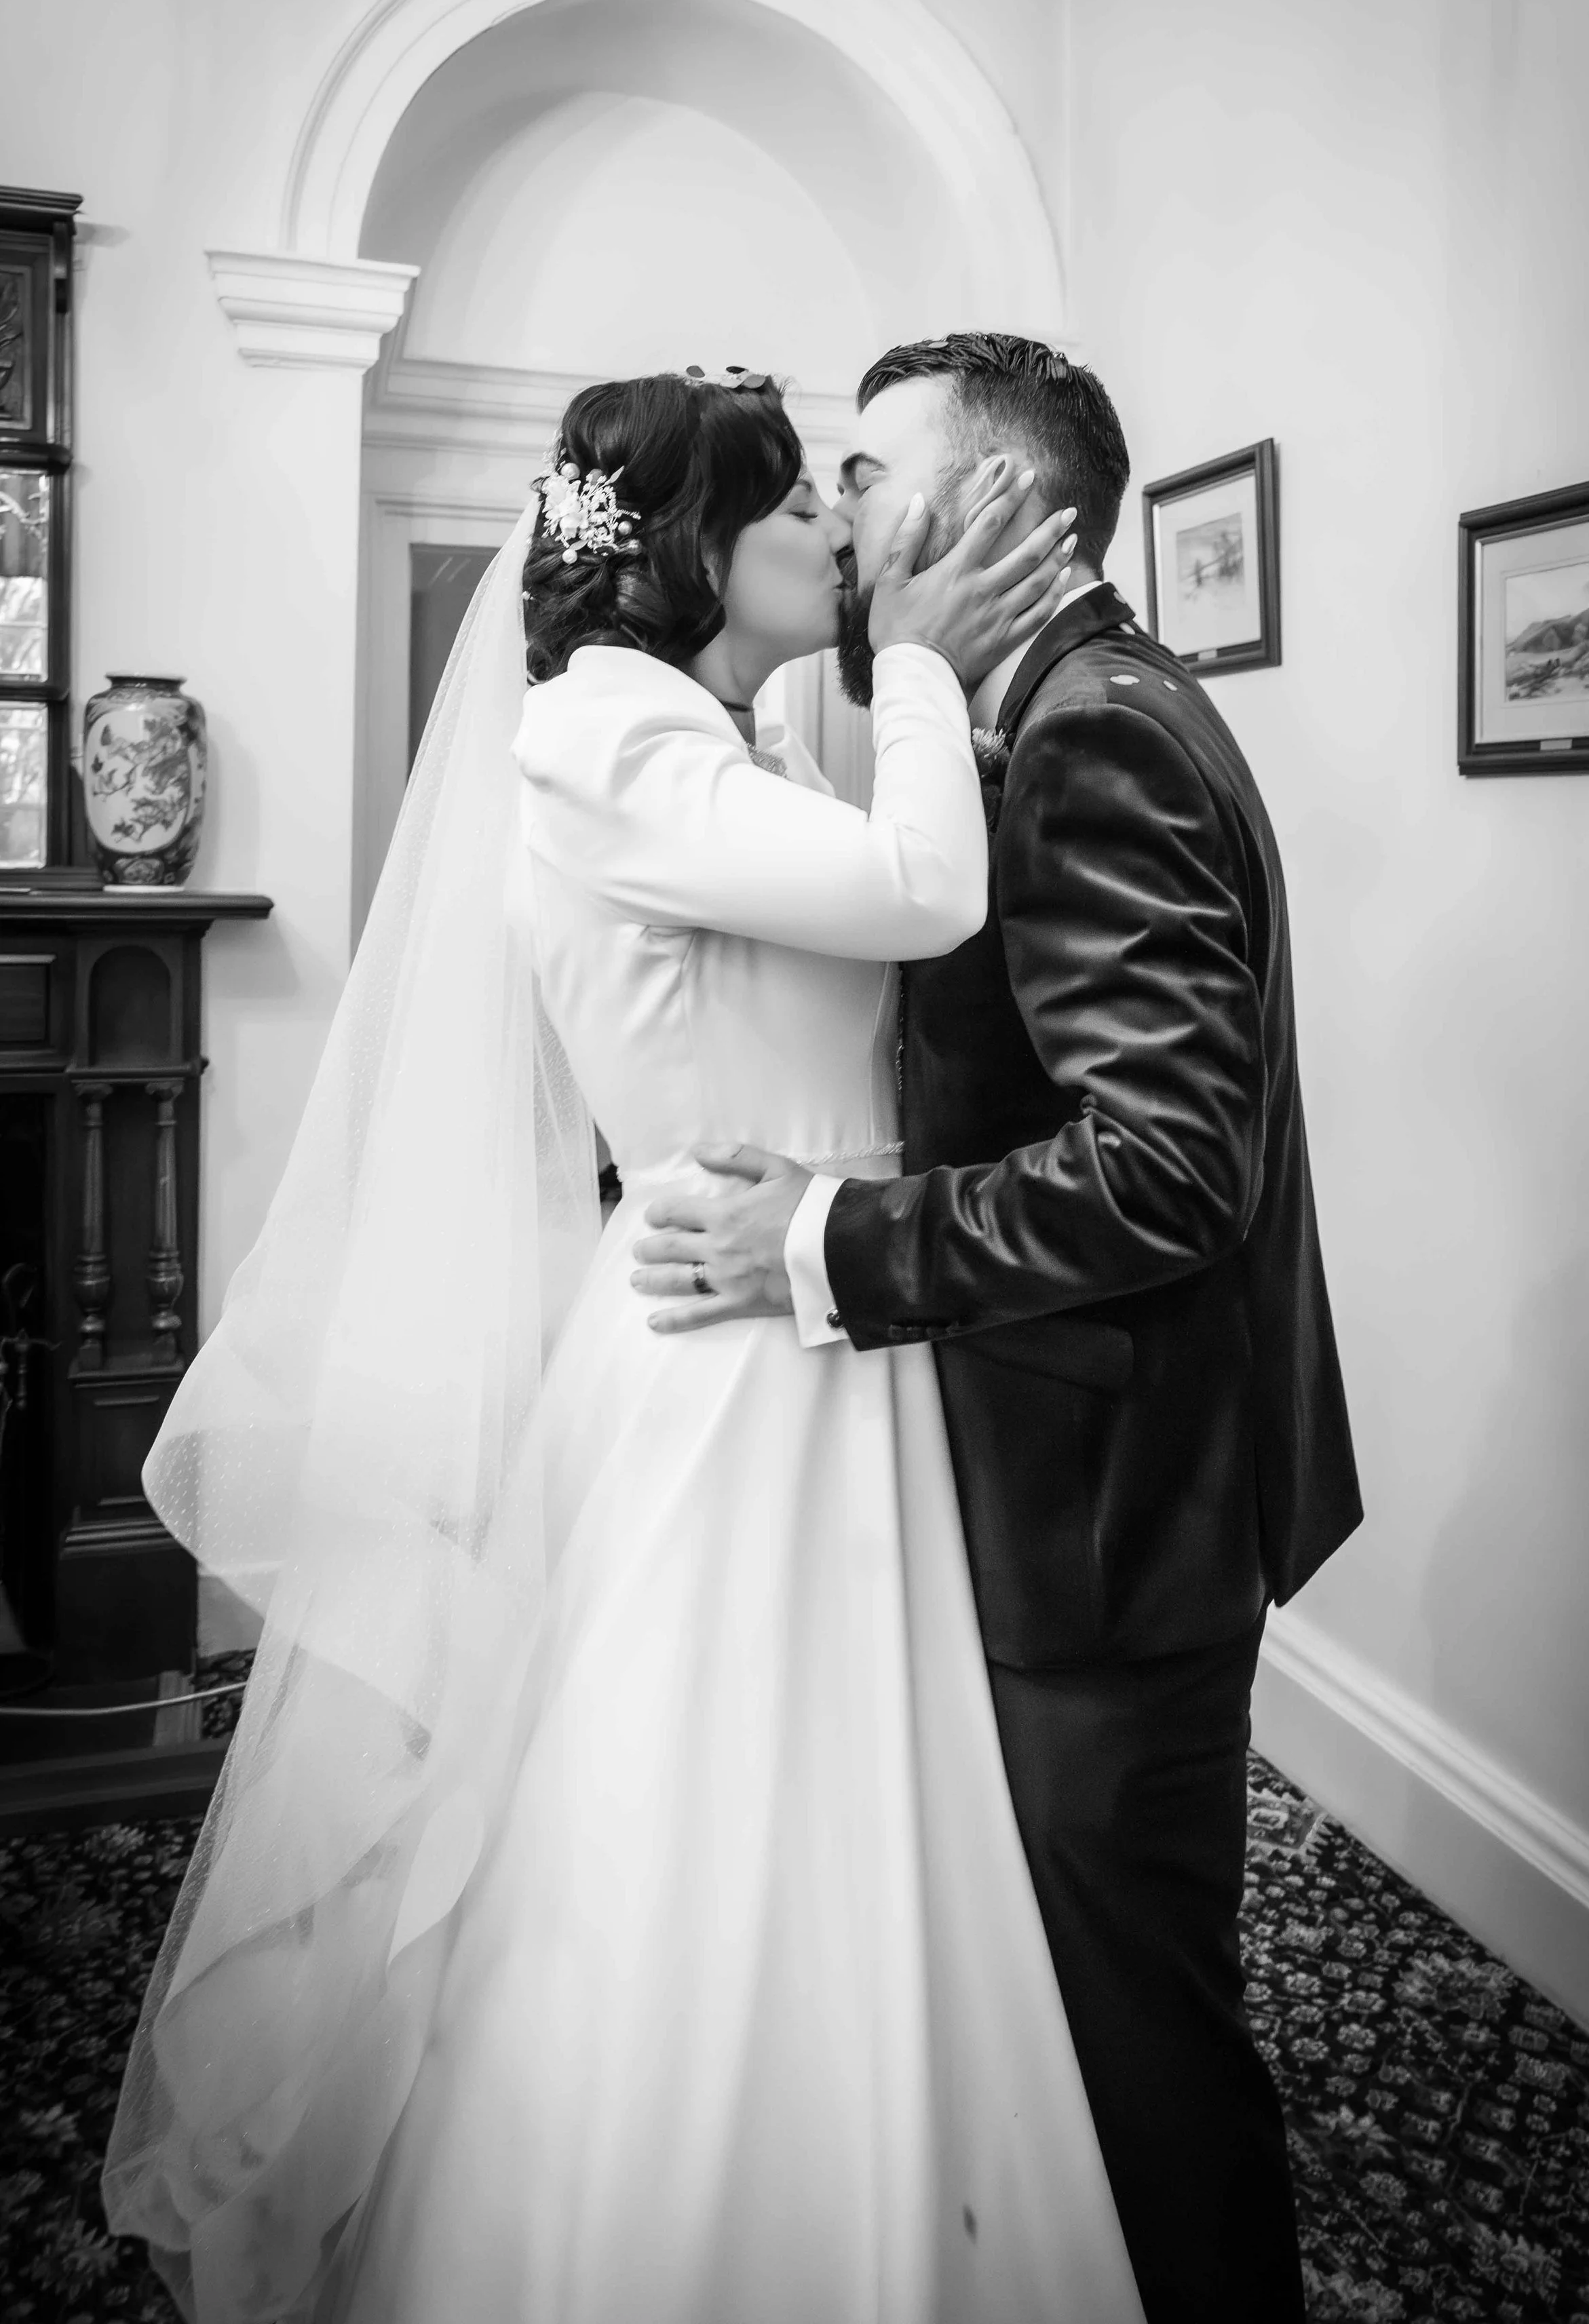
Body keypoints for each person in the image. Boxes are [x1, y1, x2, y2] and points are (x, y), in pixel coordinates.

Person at [103, 366, 1145, 2324]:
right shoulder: (602, 737)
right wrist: (919, 660)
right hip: (736, 1352)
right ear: (696, 550)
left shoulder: (720, 730)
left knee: (844, 1834)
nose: (841, 537)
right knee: (696, 1830)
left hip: (812, 1311)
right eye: (799, 512)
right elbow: (922, 891)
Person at [634, 334, 1365, 2324]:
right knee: (1062, 2016)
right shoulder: (1034, 709)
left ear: (999, 506)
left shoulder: (1092, 737)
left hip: (1109, 1520)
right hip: (1077, 1477)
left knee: (1136, 2039)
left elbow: (1163, 1173)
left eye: (870, 475)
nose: (840, 511)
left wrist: (832, 1240)